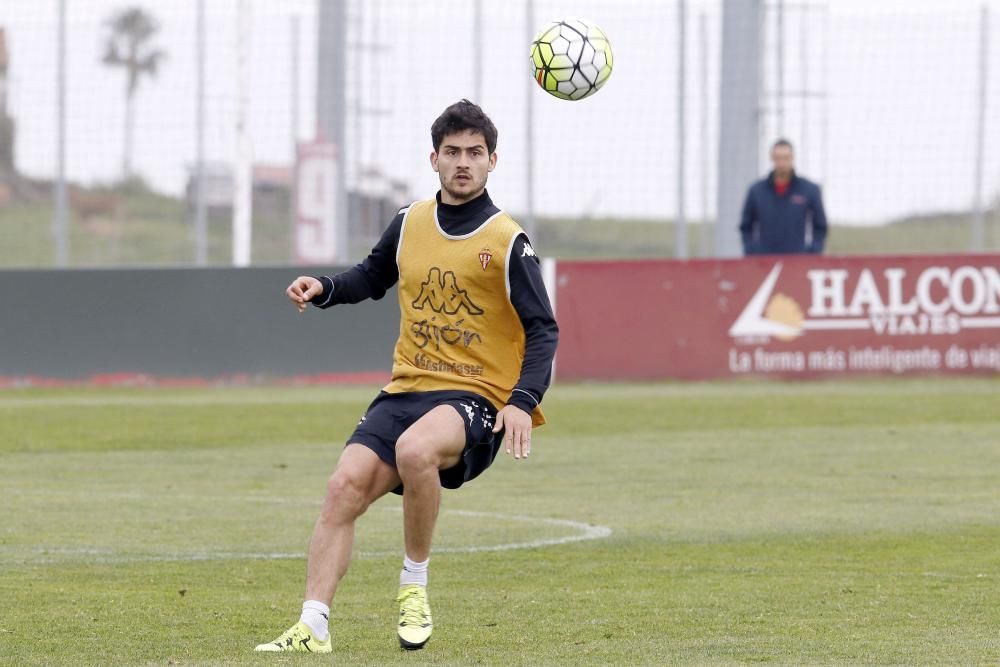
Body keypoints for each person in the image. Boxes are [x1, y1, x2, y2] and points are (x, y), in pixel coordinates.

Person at [255, 99, 559, 654]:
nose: (462, 162)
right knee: (342, 487)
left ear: (493, 161)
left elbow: (543, 329)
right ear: (433, 158)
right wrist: (324, 287)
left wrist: (521, 399)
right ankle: (313, 625)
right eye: (452, 152)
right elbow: (371, 276)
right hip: (406, 387)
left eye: (474, 153)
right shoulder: (410, 221)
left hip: (475, 396)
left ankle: (413, 585)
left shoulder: (507, 240)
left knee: (417, 450)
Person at [739, 138, 828, 255]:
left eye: (785, 158)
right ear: (772, 158)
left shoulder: (809, 190)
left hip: (797, 261)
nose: (781, 163)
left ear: (792, 158)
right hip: (764, 262)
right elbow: (746, 226)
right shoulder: (756, 191)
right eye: (778, 158)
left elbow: (820, 226)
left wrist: (813, 252)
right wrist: (751, 250)